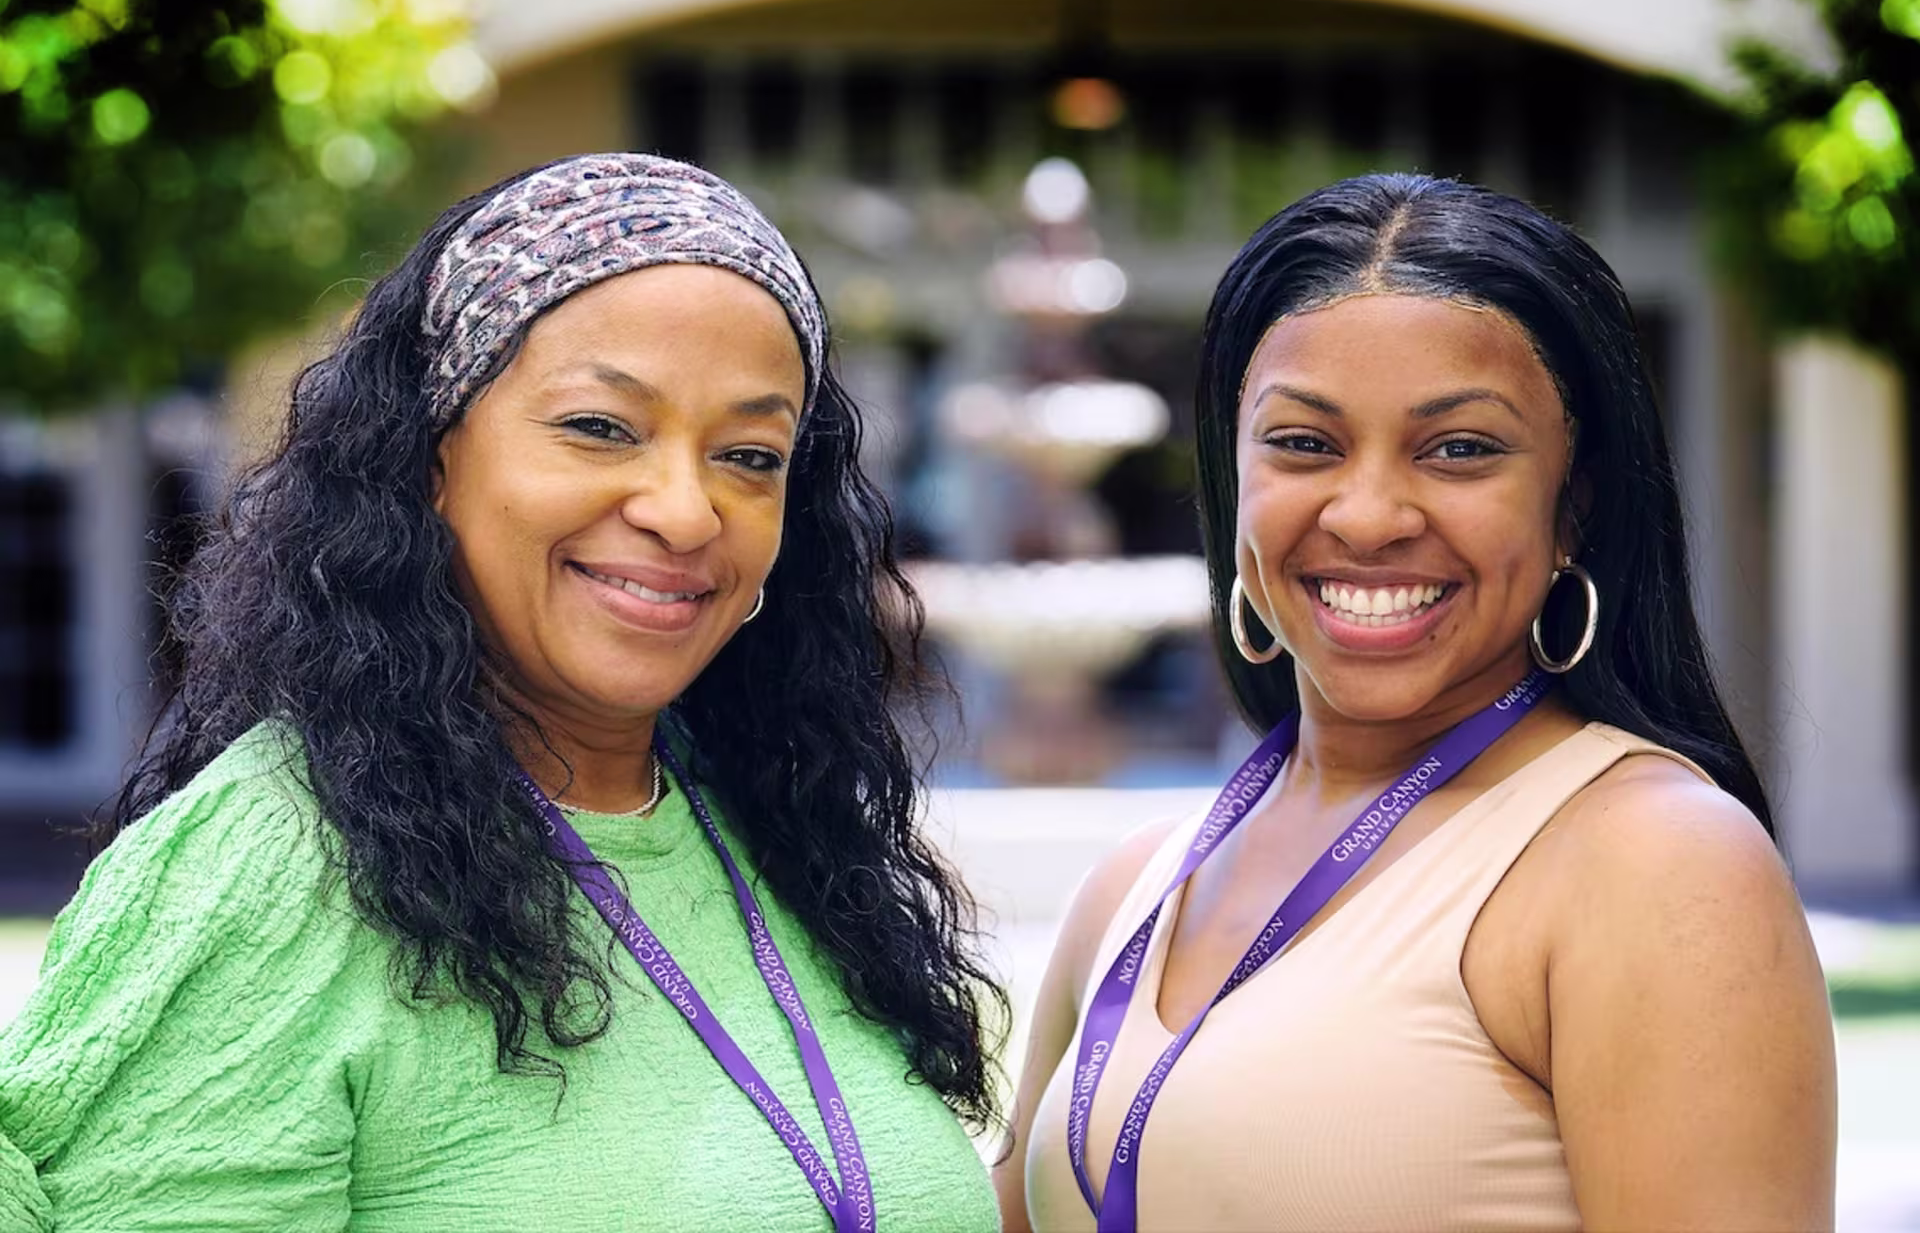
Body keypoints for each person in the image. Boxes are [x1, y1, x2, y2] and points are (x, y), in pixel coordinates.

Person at [0, 153, 1005, 1231]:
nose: (686, 511)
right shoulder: (275, 864)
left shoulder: (783, 836)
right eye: (600, 427)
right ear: (430, 462)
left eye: (751, 455)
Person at [997, 174, 1837, 1233]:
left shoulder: (1655, 863)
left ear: (1573, 504)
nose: (1369, 515)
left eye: (1460, 450)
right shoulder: (1135, 888)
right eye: (1305, 443)